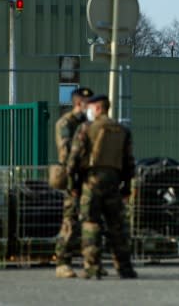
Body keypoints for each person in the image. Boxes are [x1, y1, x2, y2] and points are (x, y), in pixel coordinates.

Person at [66, 93, 137, 279]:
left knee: (91, 224)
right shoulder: (122, 130)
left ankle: (93, 266)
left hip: (92, 182)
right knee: (117, 226)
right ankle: (124, 267)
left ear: (97, 108)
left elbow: (73, 159)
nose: (88, 110)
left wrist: (72, 184)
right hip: (114, 183)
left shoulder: (86, 128)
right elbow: (129, 163)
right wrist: (127, 187)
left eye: (90, 107)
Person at [53, 86, 93, 278]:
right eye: (88, 103)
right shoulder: (65, 123)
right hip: (72, 176)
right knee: (70, 220)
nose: (91, 106)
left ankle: (90, 260)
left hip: (88, 176)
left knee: (88, 219)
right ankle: (62, 261)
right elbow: (67, 152)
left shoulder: (88, 123)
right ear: (79, 103)